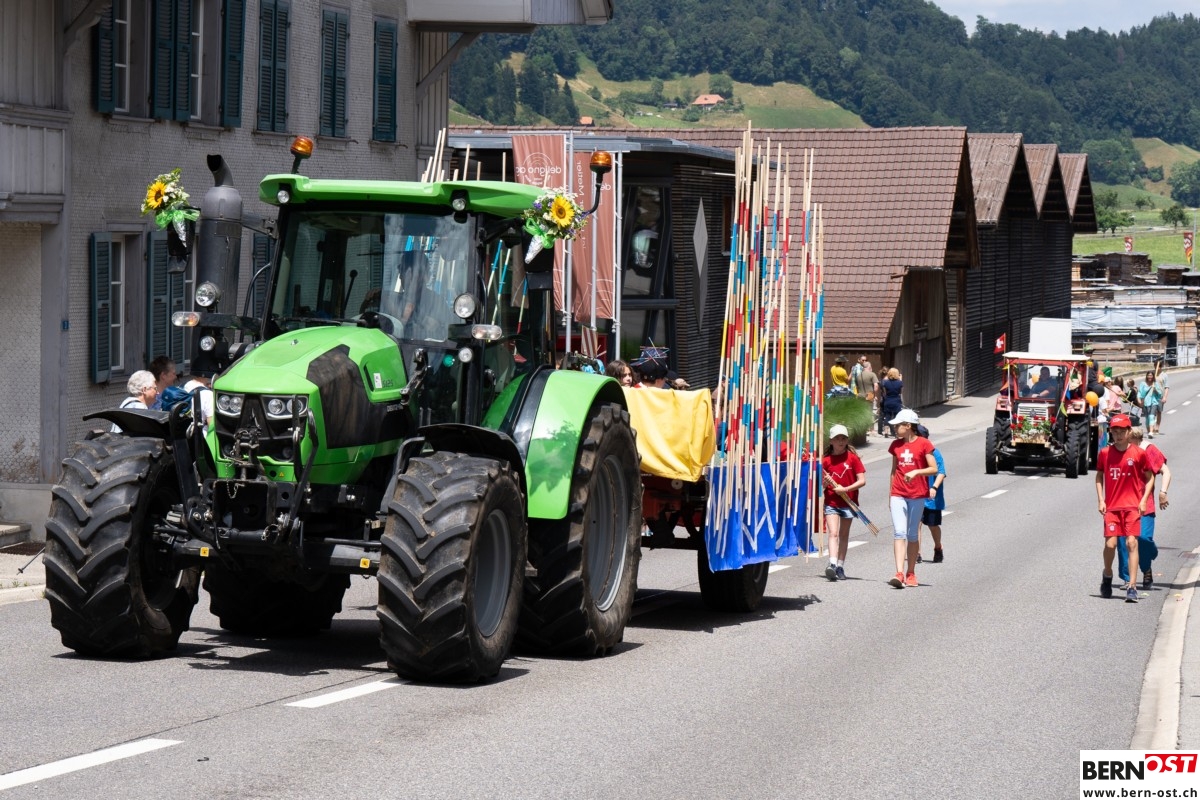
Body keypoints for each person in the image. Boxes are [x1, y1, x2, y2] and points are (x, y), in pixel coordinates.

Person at [1094, 413, 1154, 603]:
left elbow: (1150, 477)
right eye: (1115, 431)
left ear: (1129, 432)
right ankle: (1107, 574)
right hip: (1112, 507)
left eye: (1122, 431)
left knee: (1131, 543)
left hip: (1132, 507)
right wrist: (1101, 499)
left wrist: (1143, 500)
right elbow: (1099, 476)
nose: (1118, 435)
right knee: (1110, 545)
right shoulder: (1105, 453)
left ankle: (1132, 586)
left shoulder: (1139, 453)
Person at [886, 408, 938, 588]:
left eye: (898, 426)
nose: (895, 428)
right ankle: (899, 573)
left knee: (912, 533)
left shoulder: (924, 444)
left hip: (917, 494)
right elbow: (894, 471)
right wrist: (891, 494)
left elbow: (933, 468)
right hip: (898, 494)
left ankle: (911, 573)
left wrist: (916, 472)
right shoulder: (895, 445)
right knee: (899, 532)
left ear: (908, 426)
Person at [1116, 427, 1170, 590]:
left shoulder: (1148, 449)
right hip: (1123, 503)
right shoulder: (1117, 449)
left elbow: (1165, 471)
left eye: (1131, 441)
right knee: (1123, 542)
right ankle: (1127, 579)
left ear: (1138, 440)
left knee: (1144, 539)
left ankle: (1146, 566)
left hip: (1145, 504)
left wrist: (1163, 492)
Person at [822, 424, 866, 582]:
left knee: (843, 534)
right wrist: (825, 483)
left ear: (847, 440)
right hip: (831, 502)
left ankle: (840, 565)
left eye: (843, 438)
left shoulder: (852, 458)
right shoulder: (825, 461)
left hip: (849, 502)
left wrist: (845, 489)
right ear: (831, 441)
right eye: (837, 439)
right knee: (833, 533)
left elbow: (862, 481)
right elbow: (820, 485)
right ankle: (832, 563)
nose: (840, 441)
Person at [915, 424, 946, 563]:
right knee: (916, 524)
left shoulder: (935, 453)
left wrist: (934, 487)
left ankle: (938, 547)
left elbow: (941, 473)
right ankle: (917, 553)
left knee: (932, 526)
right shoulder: (914, 453)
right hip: (917, 495)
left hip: (932, 498)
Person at [1136, 370, 1165, 438]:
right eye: (1148, 375)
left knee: (1151, 416)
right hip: (1145, 403)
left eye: (1151, 375)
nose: (1150, 377)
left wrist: (1155, 390)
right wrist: (1139, 401)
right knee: (1147, 418)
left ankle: (1151, 432)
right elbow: (1139, 393)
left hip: (1153, 402)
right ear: (1146, 376)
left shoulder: (1155, 384)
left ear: (1153, 376)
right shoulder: (1143, 384)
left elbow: (1160, 395)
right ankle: (1149, 431)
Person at [879, 368, 905, 437]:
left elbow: (885, 393)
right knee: (897, 417)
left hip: (888, 401)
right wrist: (900, 380)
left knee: (887, 416)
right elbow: (901, 392)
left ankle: (886, 432)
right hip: (896, 401)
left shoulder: (886, 382)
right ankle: (896, 433)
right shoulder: (900, 383)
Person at [858, 359, 879, 436]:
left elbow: (857, 386)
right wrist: (875, 395)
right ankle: (871, 429)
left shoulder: (858, 376)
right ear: (869, 367)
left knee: (862, 412)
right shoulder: (872, 374)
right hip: (869, 395)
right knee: (870, 412)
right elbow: (876, 386)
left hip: (860, 395)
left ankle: (863, 429)